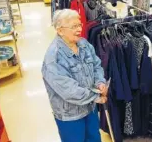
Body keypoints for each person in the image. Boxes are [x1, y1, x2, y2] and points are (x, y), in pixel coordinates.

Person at [41, 9, 108, 142]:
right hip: (70, 116)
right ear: (60, 31)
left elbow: (96, 65)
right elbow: (69, 90)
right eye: (73, 27)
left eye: (79, 25)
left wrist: (100, 82)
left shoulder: (84, 44)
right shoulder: (54, 58)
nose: (79, 29)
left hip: (90, 108)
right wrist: (96, 96)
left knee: (94, 138)